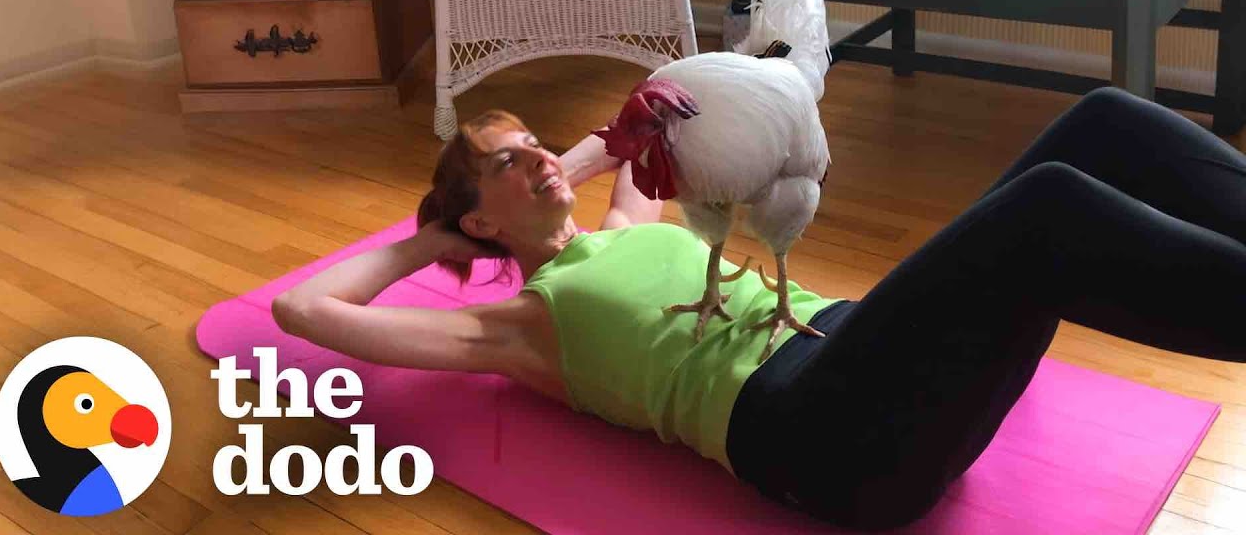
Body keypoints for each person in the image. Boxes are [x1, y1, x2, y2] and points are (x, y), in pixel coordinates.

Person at [272, 86, 1246, 531]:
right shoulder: (513, 329)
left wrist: (540, 164)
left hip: (869, 355)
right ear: (477, 221)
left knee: (1101, 122)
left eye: (531, 143)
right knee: (1047, 210)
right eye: (504, 161)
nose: (534, 156)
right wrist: (437, 235)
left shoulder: (621, 230)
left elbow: (632, 133)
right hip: (828, 438)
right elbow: (307, 314)